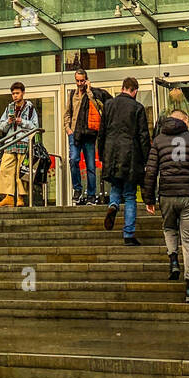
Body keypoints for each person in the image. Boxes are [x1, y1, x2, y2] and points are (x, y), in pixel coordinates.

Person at [142, 108, 189, 304]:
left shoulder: (158, 140)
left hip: (167, 194)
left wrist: (149, 198)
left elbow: (151, 171)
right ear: (184, 120)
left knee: (169, 227)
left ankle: (173, 259)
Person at [99, 77, 151, 246]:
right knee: (129, 195)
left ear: (122, 88)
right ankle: (128, 235)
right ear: (134, 90)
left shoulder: (108, 105)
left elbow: (102, 132)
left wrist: (102, 154)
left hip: (111, 153)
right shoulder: (137, 107)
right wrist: (146, 158)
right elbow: (143, 136)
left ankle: (113, 204)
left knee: (115, 186)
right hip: (130, 155)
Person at [65, 69, 111, 205]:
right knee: (73, 160)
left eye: (82, 80)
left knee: (90, 166)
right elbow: (67, 112)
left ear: (86, 80)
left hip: (89, 134)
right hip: (74, 133)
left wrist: (89, 91)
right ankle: (77, 189)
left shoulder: (93, 93)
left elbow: (98, 108)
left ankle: (91, 195)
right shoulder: (72, 94)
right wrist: (67, 128)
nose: (80, 83)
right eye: (77, 80)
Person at [0, 82, 39, 207]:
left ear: (23, 93)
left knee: (21, 171)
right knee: (5, 169)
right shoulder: (9, 107)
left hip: (23, 142)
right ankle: (9, 197)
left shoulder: (30, 108)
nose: (15, 96)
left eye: (17, 93)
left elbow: (35, 126)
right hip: (10, 142)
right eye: (13, 93)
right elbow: (2, 126)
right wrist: (9, 121)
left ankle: (20, 197)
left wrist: (22, 122)